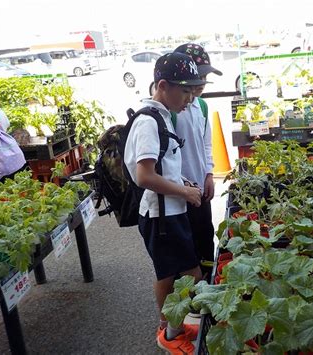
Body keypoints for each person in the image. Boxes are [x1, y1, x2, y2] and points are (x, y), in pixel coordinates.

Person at [123, 52, 207, 354]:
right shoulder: (148, 121)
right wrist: (184, 193)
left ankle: (172, 327)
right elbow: (144, 176)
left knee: (182, 274)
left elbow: (161, 167)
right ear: (162, 85)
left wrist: (182, 183)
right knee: (174, 275)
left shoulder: (160, 116)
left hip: (168, 211)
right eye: (184, 91)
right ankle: (170, 333)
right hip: (161, 216)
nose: (189, 98)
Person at [172, 43, 223, 276]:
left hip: (201, 189)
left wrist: (209, 174)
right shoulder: (172, 109)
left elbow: (206, 144)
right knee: (186, 251)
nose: (202, 82)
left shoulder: (201, 106)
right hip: (179, 193)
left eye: (205, 76)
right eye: (199, 76)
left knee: (205, 240)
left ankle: (208, 288)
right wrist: (183, 185)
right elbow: (166, 155)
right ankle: (192, 302)